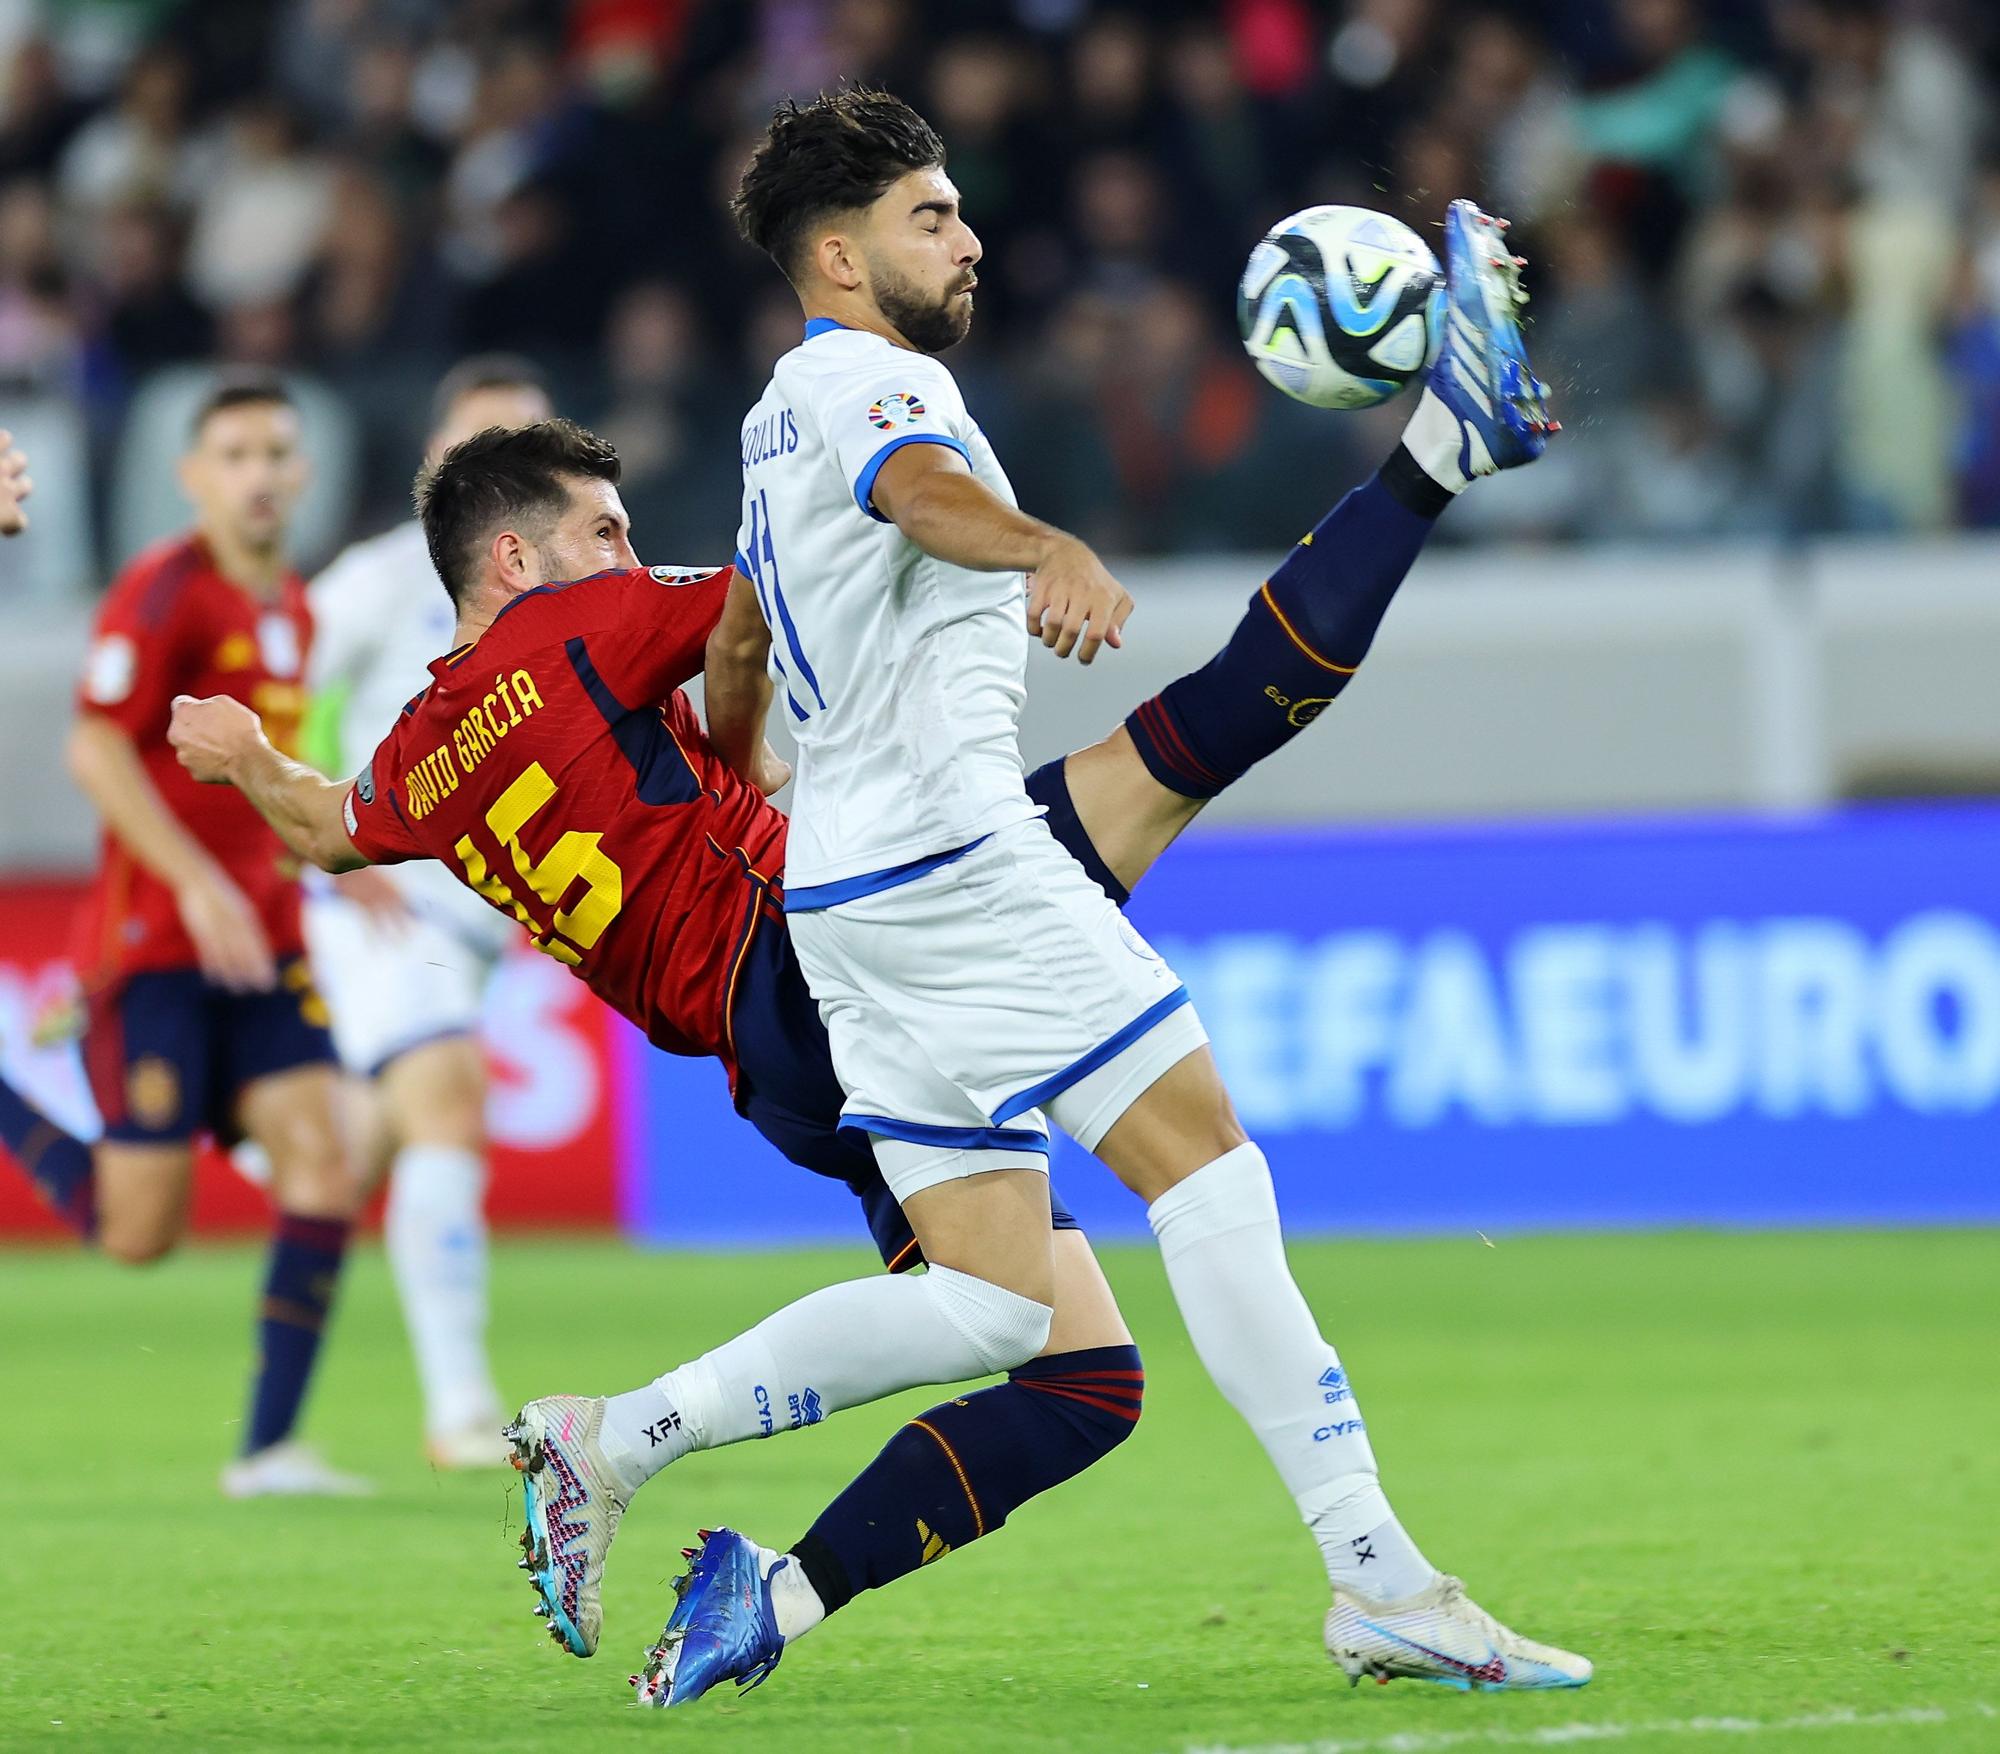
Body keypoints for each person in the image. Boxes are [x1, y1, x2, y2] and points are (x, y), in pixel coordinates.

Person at [166, 169, 1566, 1688]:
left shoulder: (423, 753)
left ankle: (747, 1573)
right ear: (518, 560)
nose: (628, 551)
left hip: (779, 1031)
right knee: (1185, 868)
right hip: (824, 938)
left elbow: (322, 827)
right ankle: (1368, 1570)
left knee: (1070, 1362)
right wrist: (783, 701)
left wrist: (245, 758)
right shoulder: (582, 626)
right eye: (606, 530)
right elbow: (756, 608)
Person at [680, 89, 1584, 1699]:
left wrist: (750, 765)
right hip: (954, 866)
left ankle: (637, 1445)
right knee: (1206, 1168)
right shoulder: (880, 387)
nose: (966, 238)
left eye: (958, 210)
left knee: (982, 1301)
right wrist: (1041, 547)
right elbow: (919, 497)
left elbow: (739, 644)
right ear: (838, 252)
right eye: (929, 216)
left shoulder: (773, 421)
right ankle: (1378, 1574)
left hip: (851, 897)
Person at [0, 377, 367, 1498]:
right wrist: (200, 883)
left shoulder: (294, 609)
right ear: (194, 476)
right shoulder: (163, 590)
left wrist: (322, 845)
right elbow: (97, 751)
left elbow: (260, 772)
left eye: (274, 451)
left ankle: (267, 1449)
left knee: (327, 1160)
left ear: (300, 474)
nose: (259, 473)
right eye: (236, 454)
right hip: (158, 945)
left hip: (264, 947)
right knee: (136, 1233)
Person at [294, 356, 554, 1467]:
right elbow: (279, 693)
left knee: (354, 1152)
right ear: (433, 467)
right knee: (447, 1108)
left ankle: (283, 1158)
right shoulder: (376, 577)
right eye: (479, 445)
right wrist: (329, 843)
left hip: (472, 919)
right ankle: (459, 1408)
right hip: (383, 902)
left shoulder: (563, 597)